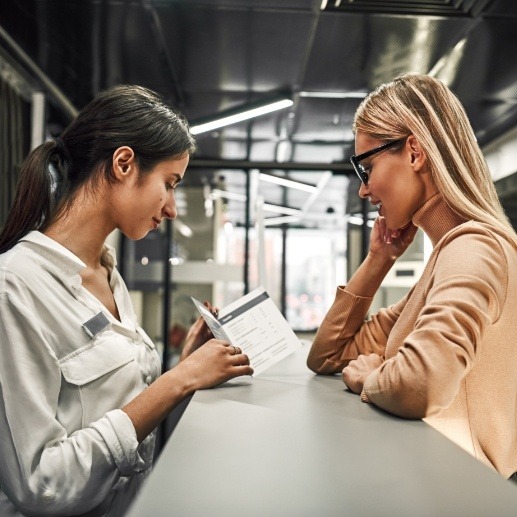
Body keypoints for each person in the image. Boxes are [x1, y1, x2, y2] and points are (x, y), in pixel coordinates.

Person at [0, 84, 253, 516]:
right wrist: (179, 381)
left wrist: (182, 370)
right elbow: (39, 482)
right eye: (169, 184)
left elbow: (115, 410)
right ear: (123, 164)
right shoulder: (15, 288)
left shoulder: (108, 274)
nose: (172, 207)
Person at [307, 73, 517, 481]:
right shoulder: (448, 258)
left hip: (460, 495)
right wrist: (378, 259)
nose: (363, 191)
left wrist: (372, 377)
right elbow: (329, 355)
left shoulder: (475, 248)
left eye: (366, 167)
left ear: (415, 153)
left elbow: (422, 383)